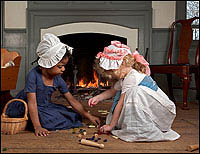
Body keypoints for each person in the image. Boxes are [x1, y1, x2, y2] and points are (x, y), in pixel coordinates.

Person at [5, 33, 100, 136]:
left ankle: (41, 120)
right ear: (47, 64)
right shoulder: (33, 75)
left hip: (45, 106)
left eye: (64, 66)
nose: (63, 69)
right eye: (60, 66)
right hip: (27, 106)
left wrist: (88, 115)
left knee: (72, 115)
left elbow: (71, 99)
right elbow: (32, 104)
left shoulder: (57, 79)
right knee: (46, 121)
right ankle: (33, 122)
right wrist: (37, 127)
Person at [88, 41, 180, 142]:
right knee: (128, 92)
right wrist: (97, 98)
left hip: (161, 112)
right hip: (151, 109)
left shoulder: (132, 77)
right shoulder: (125, 76)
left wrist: (111, 125)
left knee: (134, 92)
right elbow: (112, 91)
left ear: (120, 65)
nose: (111, 75)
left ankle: (139, 130)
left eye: (111, 71)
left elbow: (120, 104)